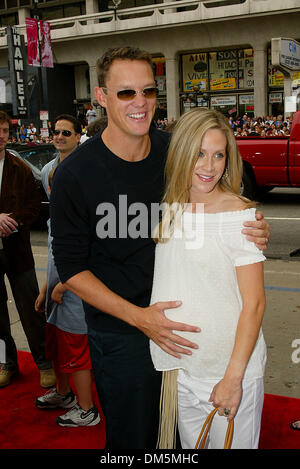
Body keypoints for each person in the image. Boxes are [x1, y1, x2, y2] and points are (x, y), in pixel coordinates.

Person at [49, 47, 270, 449]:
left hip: (182, 336)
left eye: (148, 92)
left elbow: (225, 195)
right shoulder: (75, 174)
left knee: (176, 441)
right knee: (135, 440)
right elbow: (71, 268)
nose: (140, 103)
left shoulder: (177, 151)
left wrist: (253, 227)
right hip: (121, 332)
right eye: (126, 93)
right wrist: (139, 319)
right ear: (101, 97)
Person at [150, 108, 267, 449]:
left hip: (228, 371)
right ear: (182, 152)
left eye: (218, 155)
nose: (209, 166)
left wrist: (233, 378)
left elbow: (255, 304)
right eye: (200, 154)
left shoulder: (239, 215)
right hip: (183, 371)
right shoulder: (171, 208)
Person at [34, 167, 100, 428]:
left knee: (76, 352)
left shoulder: (82, 215)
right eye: (53, 186)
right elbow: (54, 259)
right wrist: (45, 289)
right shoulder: (55, 216)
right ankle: (64, 394)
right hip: (55, 298)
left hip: (73, 299)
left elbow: (87, 257)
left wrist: (63, 286)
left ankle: (87, 410)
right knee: (57, 347)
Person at [0, 111, 55, 388]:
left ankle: (45, 363)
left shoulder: (19, 168)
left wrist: (12, 220)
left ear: (8, 134)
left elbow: (35, 206)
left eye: (3, 130)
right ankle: (5, 363)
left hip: (17, 250)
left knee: (31, 307)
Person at [41, 114, 81, 197]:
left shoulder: (90, 166)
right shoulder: (46, 170)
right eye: (56, 132)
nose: (60, 137)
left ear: (78, 137)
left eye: (66, 133)